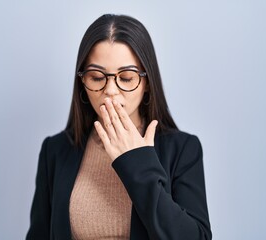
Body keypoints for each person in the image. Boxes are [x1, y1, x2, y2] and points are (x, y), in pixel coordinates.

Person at [26, 14, 212, 240]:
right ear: (82, 83)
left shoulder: (183, 149)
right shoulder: (55, 150)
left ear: (147, 83)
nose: (111, 90)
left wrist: (135, 161)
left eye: (126, 78)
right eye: (96, 77)